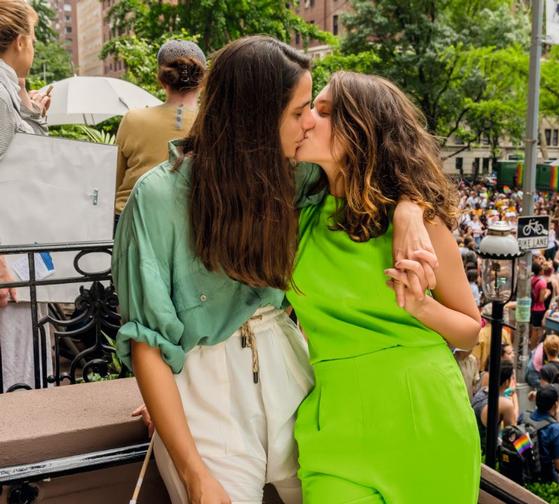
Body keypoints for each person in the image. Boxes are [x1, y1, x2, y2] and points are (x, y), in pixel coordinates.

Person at [114, 40, 434, 504]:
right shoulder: (156, 198)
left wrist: (409, 208)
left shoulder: (297, 176)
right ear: (255, 117)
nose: (310, 123)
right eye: (299, 111)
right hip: (205, 392)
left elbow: (390, 160)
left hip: (289, 367)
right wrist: (193, 469)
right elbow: (147, 341)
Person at [287, 71, 481, 502]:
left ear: (362, 131)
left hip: (423, 418)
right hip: (333, 424)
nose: (308, 121)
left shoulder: (420, 224)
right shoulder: (300, 214)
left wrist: (420, 307)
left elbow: (471, 330)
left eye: (324, 112)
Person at [0, 0, 53, 391]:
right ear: (20, 41)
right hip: (10, 266)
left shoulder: (9, 93)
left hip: (21, 260)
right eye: (33, 38)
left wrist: (32, 113)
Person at [114, 40, 205, 229]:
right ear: (202, 80)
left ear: (162, 79)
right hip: (193, 225)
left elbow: (113, 181)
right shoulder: (214, 123)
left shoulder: (133, 119)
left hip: (134, 222)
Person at [520, 384, 559, 483]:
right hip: (544, 477)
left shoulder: (524, 416)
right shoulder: (556, 429)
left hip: (523, 468)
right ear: (555, 404)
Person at [472, 361, 518, 447]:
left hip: (474, 448)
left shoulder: (482, 391)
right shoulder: (505, 404)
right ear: (507, 382)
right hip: (489, 455)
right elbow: (513, 438)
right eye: (513, 378)